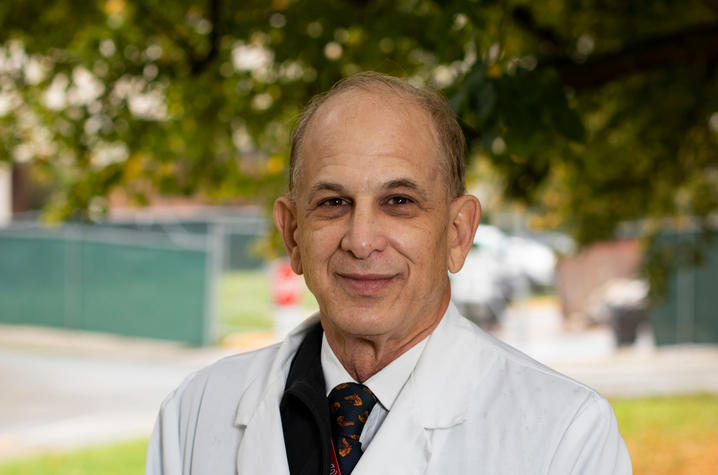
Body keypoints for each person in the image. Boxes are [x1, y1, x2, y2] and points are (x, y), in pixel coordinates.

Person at [146, 72, 632, 474]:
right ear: (293, 233)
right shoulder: (196, 411)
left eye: (399, 202)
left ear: (458, 233)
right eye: (333, 203)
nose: (361, 241)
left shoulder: (565, 435)